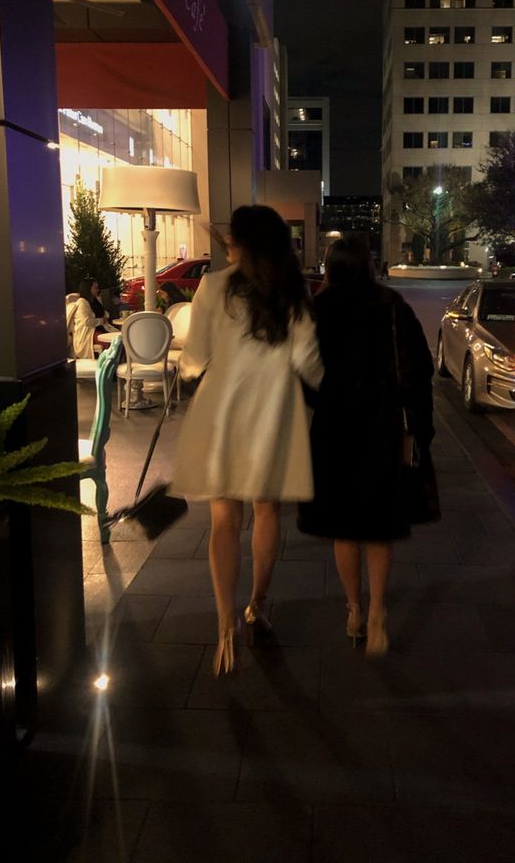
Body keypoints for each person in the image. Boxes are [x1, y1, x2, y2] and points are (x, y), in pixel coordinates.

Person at [171, 205, 324, 676]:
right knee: (266, 509)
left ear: (239, 243)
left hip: (222, 416)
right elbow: (310, 363)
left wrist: (188, 369)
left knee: (222, 520)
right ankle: (258, 604)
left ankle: (223, 622)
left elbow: (195, 358)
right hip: (273, 415)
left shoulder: (213, 287)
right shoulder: (291, 292)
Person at [298, 237, 434, 657]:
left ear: (331, 266)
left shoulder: (318, 309)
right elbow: (422, 368)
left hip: (335, 428)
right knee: (378, 525)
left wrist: (323, 401)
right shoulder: (394, 306)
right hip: (383, 427)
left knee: (344, 527)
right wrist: (420, 427)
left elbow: (304, 372)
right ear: (369, 265)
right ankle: (378, 609)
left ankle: (354, 610)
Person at [68, 277, 116, 359]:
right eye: (95, 288)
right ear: (88, 288)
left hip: (98, 329)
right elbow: (86, 322)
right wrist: (101, 320)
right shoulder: (82, 303)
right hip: (88, 334)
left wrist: (103, 318)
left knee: (119, 338)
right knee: (109, 343)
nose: (98, 290)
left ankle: (118, 362)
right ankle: (107, 365)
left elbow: (105, 313)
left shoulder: (95, 301)